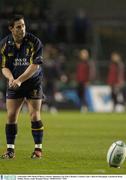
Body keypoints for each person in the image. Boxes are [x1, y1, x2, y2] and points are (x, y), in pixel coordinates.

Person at [0, 14, 44, 159]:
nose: (22, 29)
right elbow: (4, 67)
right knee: (11, 116)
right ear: (11, 28)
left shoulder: (34, 42)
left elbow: (35, 66)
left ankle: (38, 150)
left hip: (33, 82)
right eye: (18, 27)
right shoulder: (4, 44)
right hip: (15, 83)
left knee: (34, 114)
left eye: (23, 26)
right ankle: (10, 150)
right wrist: (11, 78)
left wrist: (19, 79)